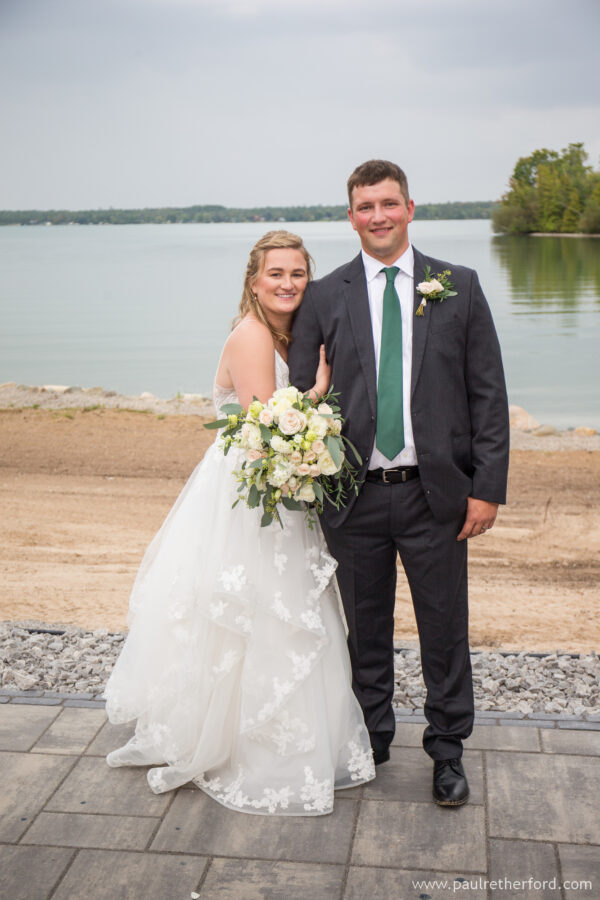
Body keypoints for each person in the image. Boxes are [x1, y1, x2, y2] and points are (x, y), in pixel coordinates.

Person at [103, 230, 375, 815]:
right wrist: (323, 390)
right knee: (256, 609)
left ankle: (286, 734)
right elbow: (275, 427)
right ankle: (239, 741)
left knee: (282, 609)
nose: (287, 283)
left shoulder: (289, 331)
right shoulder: (253, 335)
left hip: (276, 486)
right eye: (276, 274)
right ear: (255, 282)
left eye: (298, 274)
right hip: (249, 494)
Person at [288, 160, 510, 807]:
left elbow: (488, 395)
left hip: (434, 496)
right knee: (364, 626)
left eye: (388, 204)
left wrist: (487, 486)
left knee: (444, 628)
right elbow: (304, 395)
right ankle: (372, 737)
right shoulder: (325, 295)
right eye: (364, 206)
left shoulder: (457, 286)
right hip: (352, 495)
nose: (377, 216)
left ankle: (447, 749)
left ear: (411, 208)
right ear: (351, 215)